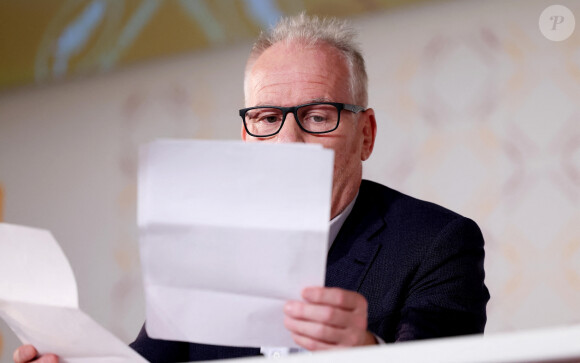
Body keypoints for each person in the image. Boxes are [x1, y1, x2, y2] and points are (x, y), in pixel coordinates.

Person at [14, 13, 489, 363]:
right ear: (247, 137)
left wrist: (367, 352)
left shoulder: (438, 242)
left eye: (318, 116)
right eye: (266, 118)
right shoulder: (203, 250)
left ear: (365, 135)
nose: (289, 140)